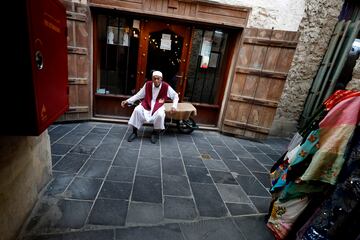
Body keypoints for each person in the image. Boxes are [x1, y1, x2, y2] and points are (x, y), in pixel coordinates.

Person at [121, 71, 178, 143]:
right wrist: (127, 101)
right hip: (147, 103)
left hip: (158, 105)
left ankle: (155, 133)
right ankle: (134, 132)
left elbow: (175, 96)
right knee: (137, 110)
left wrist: (174, 106)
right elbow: (139, 95)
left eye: (158, 78)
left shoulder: (166, 86)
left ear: (161, 79)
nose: (156, 80)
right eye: (154, 78)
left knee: (160, 115)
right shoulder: (148, 84)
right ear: (152, 79)